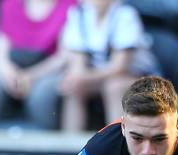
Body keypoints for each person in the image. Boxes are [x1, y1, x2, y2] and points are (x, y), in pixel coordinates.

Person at [0, 0, 76, 129]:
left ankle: (47, 146)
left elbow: (64, 56)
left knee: (42, 94)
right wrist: (8, 72)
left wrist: (31, 76)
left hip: (49, 71)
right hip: (14, 68)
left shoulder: (69, 5)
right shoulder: (10, 3)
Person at [59, 0, 160, 131]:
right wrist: (75, 78)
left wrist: (82, 77)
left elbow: (119, 67)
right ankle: (72, 144)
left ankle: (117, 143)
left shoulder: (126, 15)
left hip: (138, 77)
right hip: (99, 77)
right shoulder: (78, 14)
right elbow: (78, 63)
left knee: (114, 87)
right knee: (75, 87)